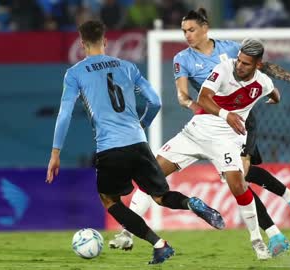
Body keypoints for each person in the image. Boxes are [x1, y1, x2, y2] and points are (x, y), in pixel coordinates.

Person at [110, 8, 290, 257]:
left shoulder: (231, 51)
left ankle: (274, 226)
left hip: (239, 122)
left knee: (239, 179)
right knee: (160, 175)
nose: (187, 35)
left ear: (205, 28)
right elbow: (183, 95)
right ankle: (287, 208)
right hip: (208, 119)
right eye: (183, 31)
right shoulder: (183, 58)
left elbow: (266, 71)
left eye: (191, 30)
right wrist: (199, 109)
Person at [46, 20, 225, 265]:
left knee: (109, 199)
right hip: (139, 144)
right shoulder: (127, 67)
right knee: (161, 196)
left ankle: (159, 244)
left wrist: (56, 152)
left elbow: (64, 114)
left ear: (82, 43)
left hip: (110, 147)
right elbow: (155, 102)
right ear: (105, 42)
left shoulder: (75, 73)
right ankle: (190, 203)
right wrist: (143, 125)